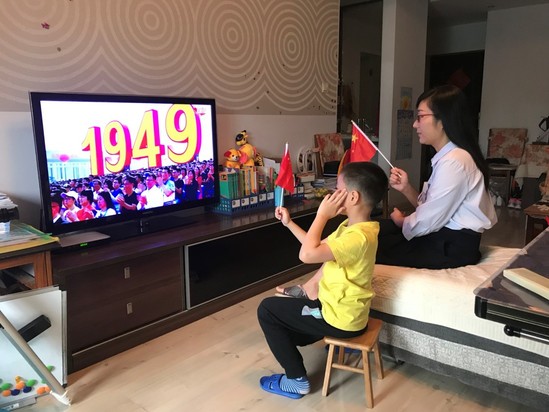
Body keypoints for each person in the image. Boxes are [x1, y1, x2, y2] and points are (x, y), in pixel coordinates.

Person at [257, 161, 388, 399]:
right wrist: (289, 223)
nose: (332, 194)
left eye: (337, 189)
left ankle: (296, 380)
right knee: (285, 322)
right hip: (344, 312)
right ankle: (312, 345)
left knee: (267, 310)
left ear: (353, 197)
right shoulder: (356, 228)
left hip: (338, 318)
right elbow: (315, 247)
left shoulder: (357, 238)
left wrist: (322, 215)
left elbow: (307, 255)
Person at [375, 84, 497, 269]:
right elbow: (433, 208)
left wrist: (402, 222)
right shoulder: (450, 157)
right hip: (446, 239)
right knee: (375, 230)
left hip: (449, 247)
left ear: (443, 120)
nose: (415, 124)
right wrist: (407, 189)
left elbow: (429, 220)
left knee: (369, 244)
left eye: (420, 117)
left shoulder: (454, 162)